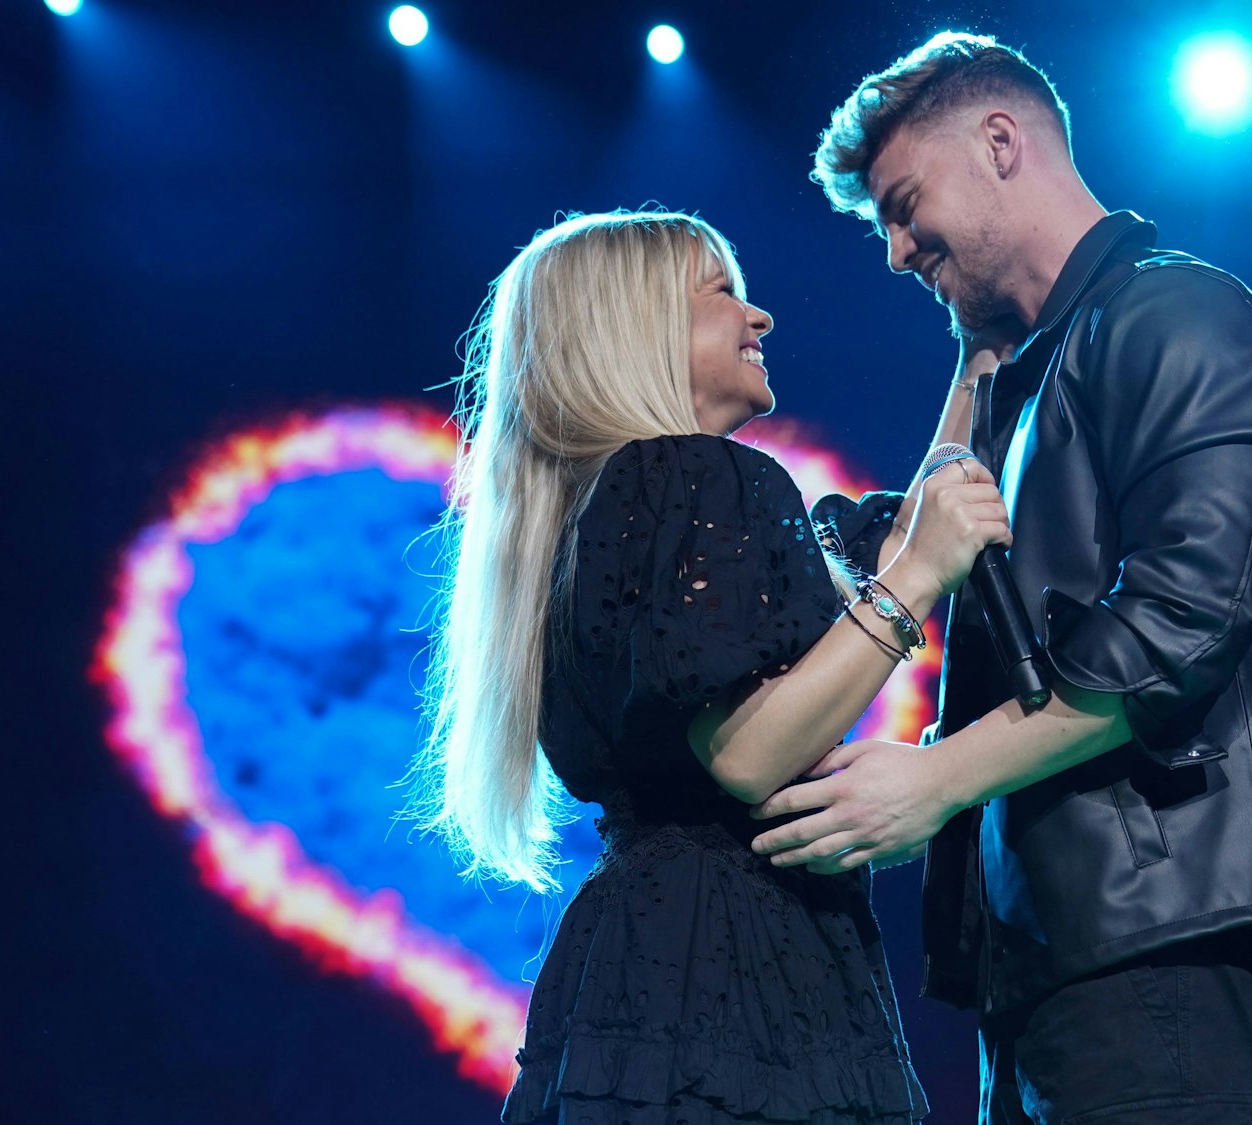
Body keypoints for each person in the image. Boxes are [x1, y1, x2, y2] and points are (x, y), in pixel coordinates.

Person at [751, 34, 1252, 1124]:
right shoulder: (1030, 369)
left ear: (1000, 142)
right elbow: (913, 543)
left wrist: (935, 778)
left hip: (1161, 930)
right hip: (1054, 951)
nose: (896, 253)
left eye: (904, 207)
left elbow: (1178, 628)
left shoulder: (1177, 315)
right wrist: (976, 363)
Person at [410, 210, 1013, 1124]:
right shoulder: (699, 478)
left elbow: (897, 535)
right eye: (721, 292)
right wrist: (920, 579)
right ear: (636, 329)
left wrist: (976, 357)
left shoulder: (594, 518)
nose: (758, 315)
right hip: (733, 969)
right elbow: (746, 753)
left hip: (633, 968)